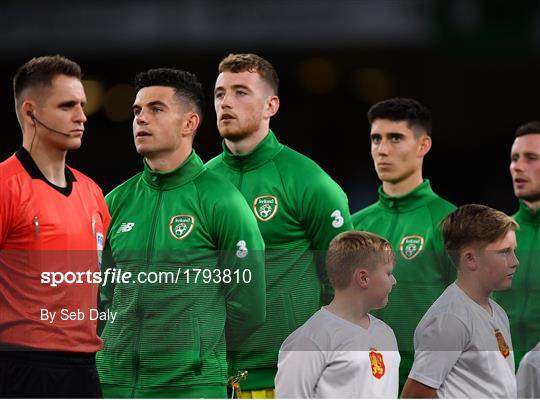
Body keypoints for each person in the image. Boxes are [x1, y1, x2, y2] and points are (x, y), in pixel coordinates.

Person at [96, 68, 266, 398]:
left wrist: (199, 359)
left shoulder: (223, 200)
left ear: (189, 123)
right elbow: (102, 294)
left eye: (156, 109)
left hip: (189, 386)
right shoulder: (115, 201)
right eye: (136, 111)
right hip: (113, 384)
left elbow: (249, 306)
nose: (141, 119)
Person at [206, 53, 353, 396]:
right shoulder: (200, 183)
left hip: (284, 380)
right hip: (207, 380)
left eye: (241, 92)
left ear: (271, 105)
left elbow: (345, 288)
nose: (226, 102)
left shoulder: (308, 181)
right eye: (219, 93)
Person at [0, 55, 110, 397]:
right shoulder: (5, 186)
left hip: (85, 370)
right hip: (22, 370)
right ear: (30, 112)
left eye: (82, 105)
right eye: (67, 106)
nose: (80, 117)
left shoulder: (93, 194)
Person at [351, 97, 456, 390]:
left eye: (395, 138)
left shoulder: (452, 224)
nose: (382, 150)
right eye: (376, 139)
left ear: (423, 145)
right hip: (360, 384)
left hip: (426, 385)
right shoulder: (354, 226)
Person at [402, 204, 519, 398]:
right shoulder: (449, 319)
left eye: (513, 251)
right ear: (471, 259)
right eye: (504, 252)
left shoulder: (496, 311)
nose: (515, 261)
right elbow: (414, 395)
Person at [275, 231, 400, 398]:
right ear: (363, 278)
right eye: (388, 273)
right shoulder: (309, 340)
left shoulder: (386, 333)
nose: (394, 281)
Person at [493, 121, 540, 368]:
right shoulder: (495, 236)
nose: (518, 167)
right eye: (514, 158)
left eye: (531, 158)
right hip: (503, 384)